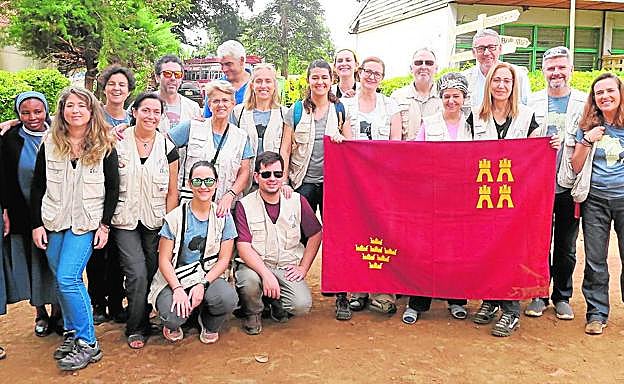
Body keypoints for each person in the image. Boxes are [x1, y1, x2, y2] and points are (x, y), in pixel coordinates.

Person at [463, 62, 558, 337]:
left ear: (514, 86)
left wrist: (549, 145)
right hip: (482, 195)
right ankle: (491, 301)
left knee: (512, 251)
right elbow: (464, 155)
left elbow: (536, 152)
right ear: (489, 85)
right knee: (486, 248)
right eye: (496, 81)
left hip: (514, 199)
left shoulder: (528, 117)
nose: (501, 85)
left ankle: (511, 309)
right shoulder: (474, 116)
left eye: (507, 81)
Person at [30, 87, 119, 370]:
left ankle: (88, 342)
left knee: (69, 278)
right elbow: (38, 184)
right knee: (61, 278)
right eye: (70, 105)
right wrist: (36, 224)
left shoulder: (104, 144)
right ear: (62, 111)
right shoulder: (50, 141)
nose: (76, 110)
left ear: (91, 111)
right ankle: (71, 332)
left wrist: (104, 225)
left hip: (87, 222)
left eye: (82, 105)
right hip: (54, 220)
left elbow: (113, 188)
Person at [282, 59, 352, 321]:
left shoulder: (341, 109)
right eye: (315, 77)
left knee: (338, 238)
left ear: (331, 80)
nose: (320, 82)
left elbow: (351, 145)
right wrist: (285, 181)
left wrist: (342, 140)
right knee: (298, 234)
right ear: (308, 80)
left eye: (325, 77)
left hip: (334, 184)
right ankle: (290, 286)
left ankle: (341, 294)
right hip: (303, 181)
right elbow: (286, 148)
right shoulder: (297, 110)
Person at [401, 73, 472, 324]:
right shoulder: (428, 123)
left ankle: (456, 300)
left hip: (463, 198)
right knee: (425, 250)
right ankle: (417, 302)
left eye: (456, 96)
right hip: (432, 197)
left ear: (464, 98)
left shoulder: (474, 124)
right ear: (440, 98)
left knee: (457, 250)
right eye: (447, 96)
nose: (451, 101)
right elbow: (416, 157)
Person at [111, 93, 179, 348]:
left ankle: (148, 315)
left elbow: (173, 190)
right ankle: (136, 327)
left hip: (156, 219)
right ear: (134, 112)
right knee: (137, 273)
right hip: (124, 220)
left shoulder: (167, 147)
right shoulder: (118, 141)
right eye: (145, 110)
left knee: (153, 271)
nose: (151, 116)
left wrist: (168, 225)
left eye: (156, 112)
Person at [525, 46, 586, 320]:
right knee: (537, 243)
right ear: (543, 71)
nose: (556, 73)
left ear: (571, 70)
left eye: (562, 67)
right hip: (536, 187)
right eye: (551, 68)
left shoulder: (584, 102)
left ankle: (562, 296)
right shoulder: (531, 102)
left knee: (566, 246)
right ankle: (538, 294)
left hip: (568, 186)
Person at [148, 160, 238, 344]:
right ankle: (175, 322)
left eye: (209, 181)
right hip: (176, 277)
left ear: (217, 183)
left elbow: (224, 259)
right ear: (189, 184)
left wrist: (203, 284)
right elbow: (164, 260)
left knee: (227, 298)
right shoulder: (175, 217)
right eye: (197, 181)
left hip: (207, 275)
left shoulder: (223, 217)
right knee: (173, 315)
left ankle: (208, 322)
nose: (203, 186)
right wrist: (177, 289)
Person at [234, 152, 322, 335]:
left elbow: (315, 234)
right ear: (256, 177)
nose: (272, 179)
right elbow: (243, 247)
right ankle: (253, 312)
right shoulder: (244, 205)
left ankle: (275, 303)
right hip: (256, 267)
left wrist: (303, 268)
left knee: (301, 305)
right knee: (248, 281)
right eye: (266, 174)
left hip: (285, 266)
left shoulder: (297, 201)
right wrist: (266, 275)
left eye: (277, 174)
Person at [341, 56, 401, 314]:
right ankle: (356, 287)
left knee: (384, 232)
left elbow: (397, 144)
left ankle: (383, 288)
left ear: (382, 77)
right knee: (356, 232)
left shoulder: (391, 106)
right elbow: (342, 141)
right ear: (359, 72)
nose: (371, 76)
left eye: (377, 73)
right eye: (367, 71)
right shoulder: (344, 105)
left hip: (383, 181)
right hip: (353, 179)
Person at [0, 92, 62, 337]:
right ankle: (40, 314)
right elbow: (3, 177)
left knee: (55, 263)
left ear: (46, 110)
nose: (32, 117)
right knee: (32, 264)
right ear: (17, 114)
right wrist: (5, 209)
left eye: (38, 111)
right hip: (23, 214)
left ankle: (58, 313)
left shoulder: (59, 133)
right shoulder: (10, 138)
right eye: (25, 113)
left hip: (56, 212)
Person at [570, 72, 624, 335]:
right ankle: (597, 312)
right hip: (595, 201)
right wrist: (588, 139)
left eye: (610, 91)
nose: (605, 96)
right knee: (594, 259)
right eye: (599, 92)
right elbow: (576, 165)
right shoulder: (588, 125)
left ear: (620, 93)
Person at [87, 64, 136, 325]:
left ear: (129, 90)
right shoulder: (92, 117)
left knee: (118, 253)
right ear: (104, 87)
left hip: (125, 193)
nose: (117, 89)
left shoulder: (134, 118)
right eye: (112, 84)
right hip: (94, 192)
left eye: (122, 85)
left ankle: (117, 303)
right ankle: (97, 302)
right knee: (96, 252)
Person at [168, 80, 253, 210]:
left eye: (225, 101)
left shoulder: (241, 136)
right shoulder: (192, 127)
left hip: (223, 207)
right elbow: (161, 143)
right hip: (191, 204)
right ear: (209, 104)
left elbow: (244, 172)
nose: (221, 105)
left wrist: (230, 195)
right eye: (216, 101)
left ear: (233, 104)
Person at [230, 63, 290, 194]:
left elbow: (285, 151)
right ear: (252, 85)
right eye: (259, 81)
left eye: (268, 81)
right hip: (245, 182)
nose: (263, 86)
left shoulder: (284, 114)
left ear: (274, 85)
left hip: (272, 181)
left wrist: (283, 181)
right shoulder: (238, 112)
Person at [461, 28, 531, 109]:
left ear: (500, 49)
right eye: (481, 48)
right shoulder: (465, 79)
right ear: (474, 52)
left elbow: (528, 108)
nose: (486, 53)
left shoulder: (517, 75)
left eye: (491, 47)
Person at [391, 48, 443, 141]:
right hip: (405, 153)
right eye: (418, 63)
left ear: (436, 69)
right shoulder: (397, 97)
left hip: (436, 153)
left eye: (429, 63)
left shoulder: (445, 98)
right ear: (411, 68)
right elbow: (393, 136)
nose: (423, 67)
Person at [153, 55, 202, 134]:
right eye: (167, 74)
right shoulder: (144, 103)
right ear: (157, 77)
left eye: (177, 74)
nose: (173, 78)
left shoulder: (193, 108)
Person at [204, 40, 251, 118]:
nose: (224, 69)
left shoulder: (258, 86)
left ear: (241, 61)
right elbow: (207, 119)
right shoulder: (215, 88)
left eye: (228, 64)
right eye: (222, 65)